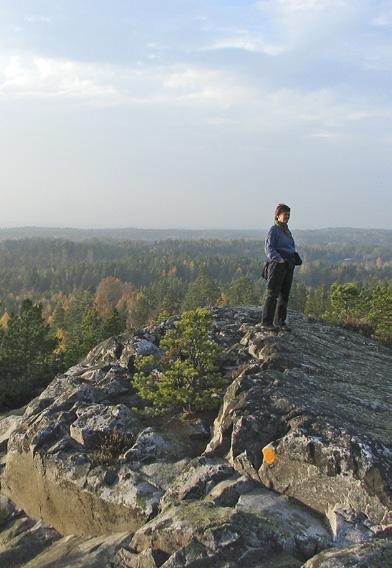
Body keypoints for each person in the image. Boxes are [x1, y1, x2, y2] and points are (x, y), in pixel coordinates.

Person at [262, 203, 301, 331]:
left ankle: (280, 322)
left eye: (288, 215)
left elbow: (289, 247)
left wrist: (293, 257)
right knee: (272, 294)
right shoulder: (274, 230)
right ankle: (267, 323)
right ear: (277, 216)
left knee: (284, 295)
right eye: (285, 215)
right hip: (277, 265)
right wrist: (280, 259)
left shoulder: (286, 231)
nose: (287, 217)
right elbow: (269, 249)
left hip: (288, 265)